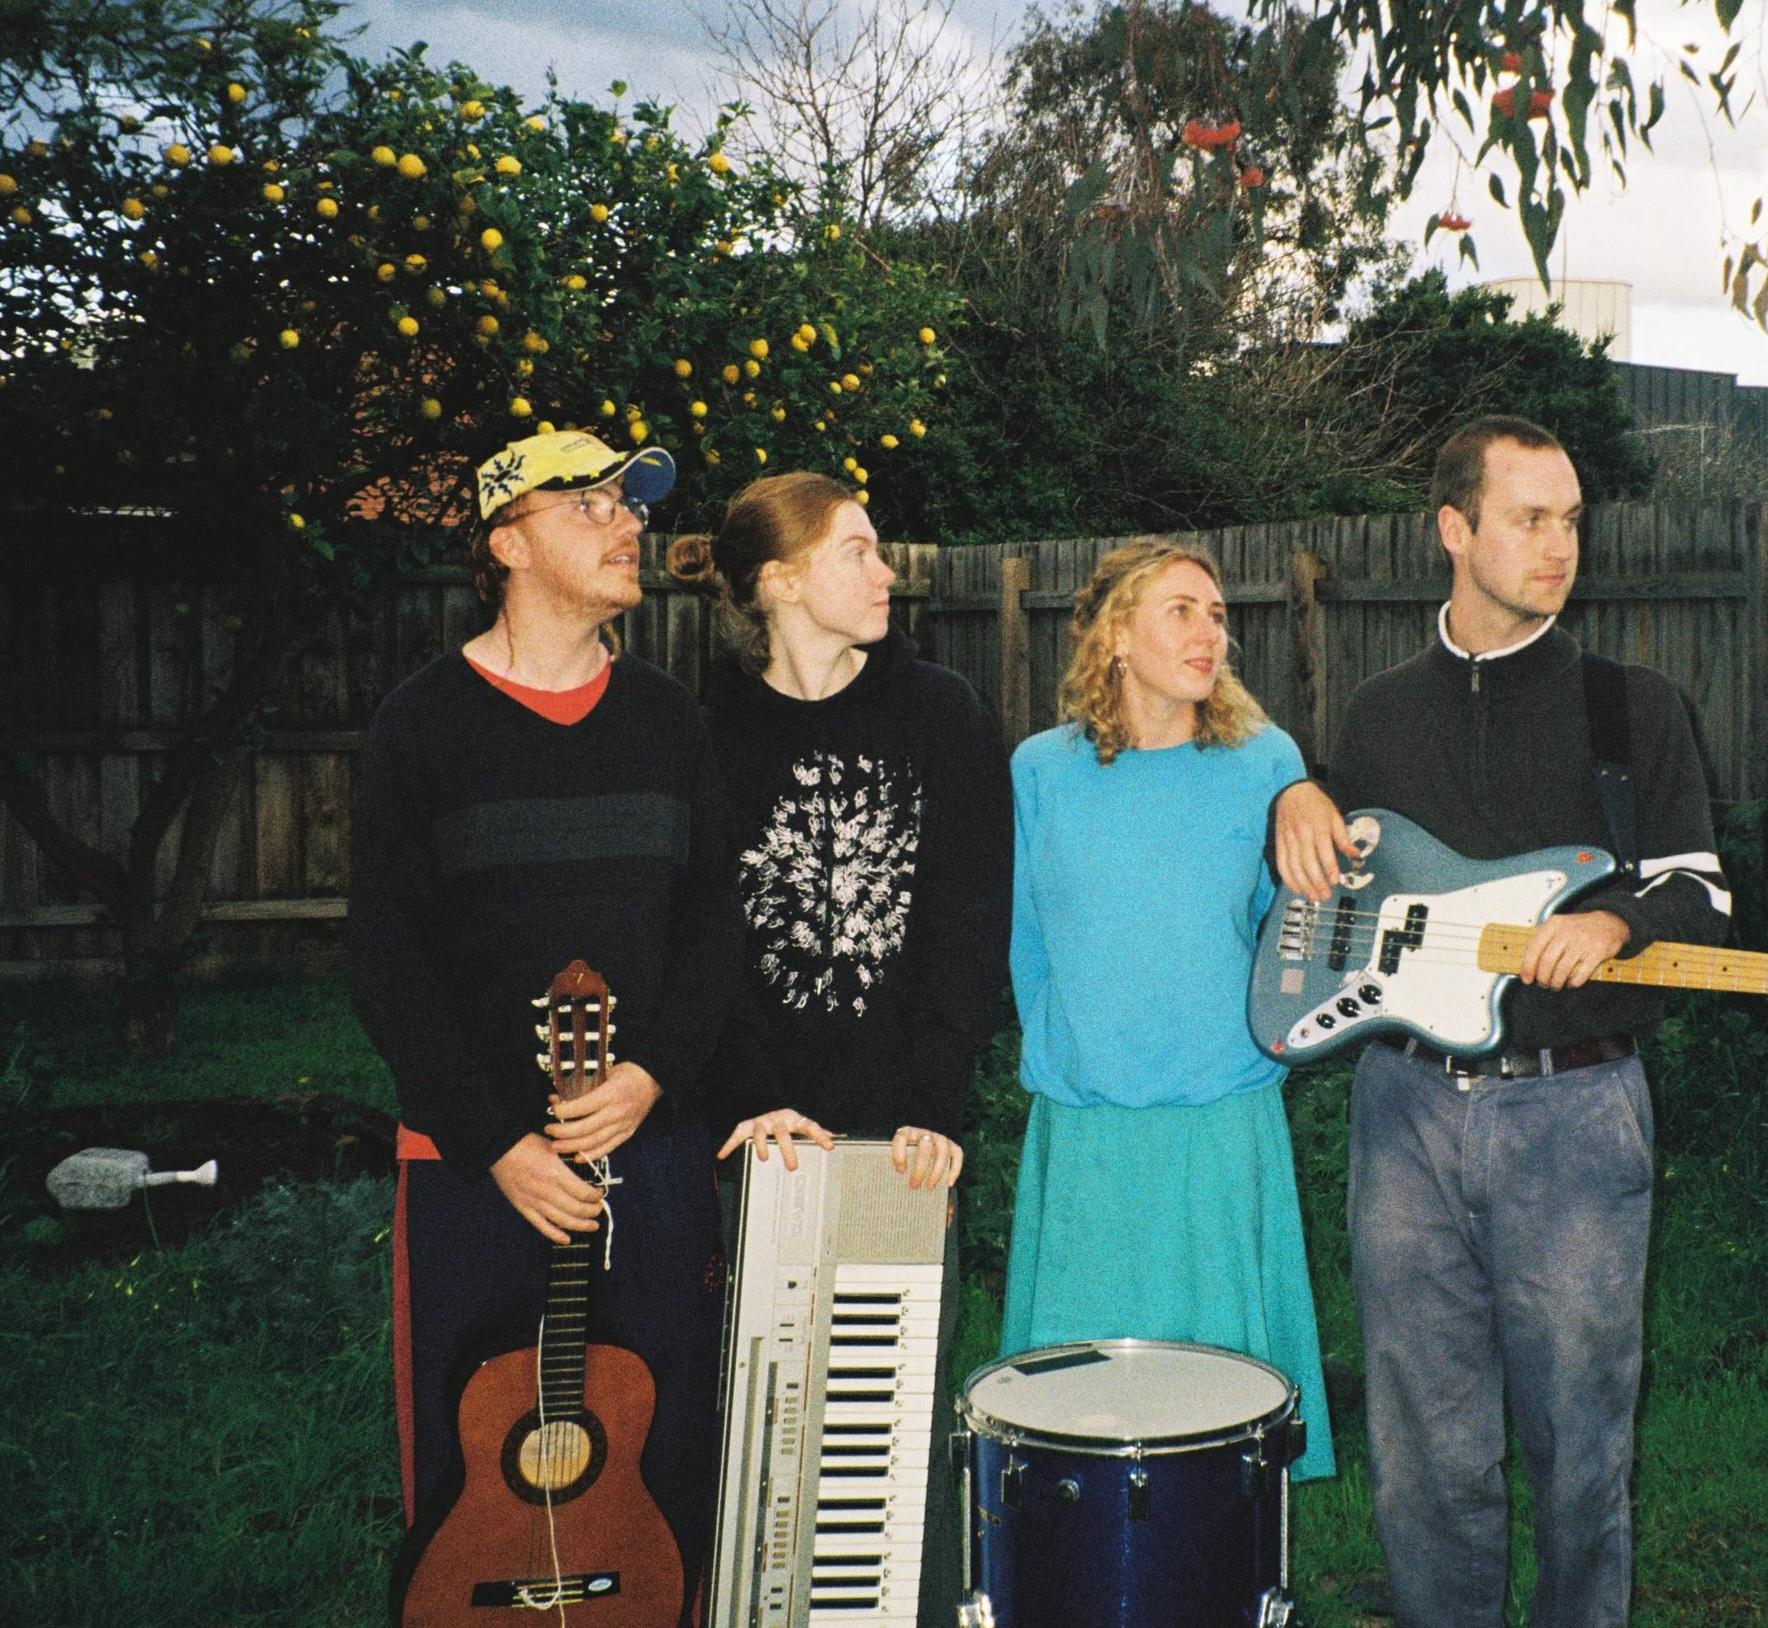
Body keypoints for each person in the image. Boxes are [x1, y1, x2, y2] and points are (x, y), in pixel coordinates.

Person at [1272, 416, 1731, 1627]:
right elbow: (1337, 883)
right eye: (1530, 517)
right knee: (1423, 1450)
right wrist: (1289, 795)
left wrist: (1622, 921)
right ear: (1453, 529)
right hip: (1404, 1115)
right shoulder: (1375, 714)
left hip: (1574, 1113)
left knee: (1581, 1451)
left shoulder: (1631, 707)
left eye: (1571, 517)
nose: (1559, 542)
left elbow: (1705, 889)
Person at [350, 429, 745, 1621]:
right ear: (506, 542)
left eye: (629, 505)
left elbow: (717, 933)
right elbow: (385, 960)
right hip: (476, 1177)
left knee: (661, 1462)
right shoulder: (420, 728)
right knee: (477, 1474)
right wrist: (498, 1143)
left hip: (657, 1161)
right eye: (589, 505)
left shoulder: (670, 721)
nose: (626, 524)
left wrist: (655, 1074)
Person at [666, 474, 1011, 1628]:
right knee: (756, 1426)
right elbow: (698, 932)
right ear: (779, 579)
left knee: (890, 1424)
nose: (886, 572)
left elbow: (968, 919)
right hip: (757, 1134)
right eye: (857, 550)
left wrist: (933, 1100)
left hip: (900, 1135)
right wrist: (752, 1096)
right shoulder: (700, 734)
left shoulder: (944, 712)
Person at [1000, 537, 1337, 1483]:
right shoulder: (1040, 771)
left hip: (1218, 1127)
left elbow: (1300, 942)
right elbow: (1025, 939)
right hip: (1088, 1135)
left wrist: (1310, 790)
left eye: (1218, 615)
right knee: (1073, 1421)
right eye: (1181, 610)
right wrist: (1079, 1053)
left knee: (1223, 1423)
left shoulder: (1267, 760)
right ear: (1115, 635)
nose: (1210, 633)